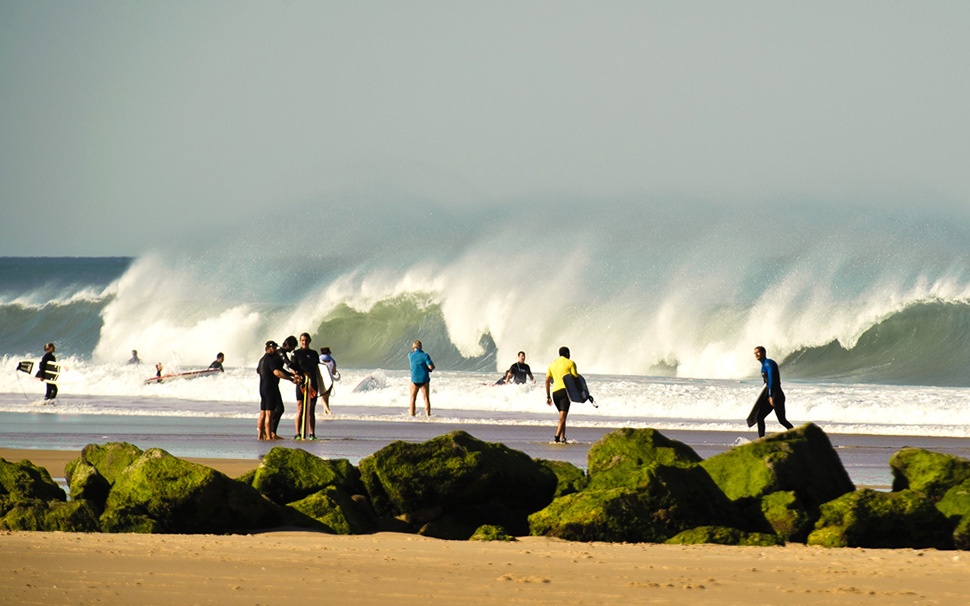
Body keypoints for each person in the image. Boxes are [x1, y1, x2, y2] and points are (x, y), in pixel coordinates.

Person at [257, 341, 298, 440]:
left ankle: (260, 436)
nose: (275, 350)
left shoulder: (261, 360)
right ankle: (269, 436)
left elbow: (258, 370)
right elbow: (277, 372)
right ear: (269, 348)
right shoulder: (269, 359)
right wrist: (291, 378)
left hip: (262, 387)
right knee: (269, 414)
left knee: (263, 413)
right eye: (273, 348)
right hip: (270, 388)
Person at [753, 346, 794, 438]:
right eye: (755, 353)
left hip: (776, 396)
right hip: (770, 395)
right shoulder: (763, 366)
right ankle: (761, 439)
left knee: (782, 420)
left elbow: (772, 380)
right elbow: (766, 384)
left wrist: (771, 396)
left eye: (758, 352)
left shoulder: (769, 364)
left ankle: (797, 435)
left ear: (764, 353)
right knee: (760, 417)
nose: (756, 354)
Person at [292, 333, 323, 439]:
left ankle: (312, 434)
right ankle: (297, 433)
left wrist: (323, 386)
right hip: (301, 383)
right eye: (302, 340)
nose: (304, 342)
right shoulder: (296, 353)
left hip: (313, 383)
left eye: (306, 340)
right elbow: (292, 368)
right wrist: (296, 376)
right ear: (300, 341)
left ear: (309, 341)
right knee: (300, 408)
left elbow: (319, 370)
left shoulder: (314, 354)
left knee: (311, 409)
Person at [545, 346, 579, 444]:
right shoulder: (571, 363)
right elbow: (576, 378)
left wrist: (548, 396)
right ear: (567, 354)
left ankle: (563, 438)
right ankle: (556, 438)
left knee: (562, 416)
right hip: (565, 392)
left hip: (555, 393)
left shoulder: (552, 365)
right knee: (562, 418)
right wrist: (581, 391)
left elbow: (547, 381)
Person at [270, 335, 298, 438]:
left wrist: (292, 375)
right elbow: (288, 363)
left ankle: (270, 432)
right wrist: (299, 370)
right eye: (293, 346)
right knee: (279, 408)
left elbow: (281, 369)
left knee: (275, 409)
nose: (293, 349)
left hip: (273, 383)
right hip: (271, 383)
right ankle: (271, 432)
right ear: (289, 345)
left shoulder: (280, 352)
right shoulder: (280, 352)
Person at [408, 340, 435, 416]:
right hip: (424, 379)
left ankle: (412, 415)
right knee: (426, 398)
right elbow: (431, 367)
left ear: (413, 347)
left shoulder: (410, 355)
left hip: (414, 380)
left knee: (413, 398)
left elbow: (413, 352)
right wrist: (431, 367)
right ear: (421, 347)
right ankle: (427, 415)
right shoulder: (425, 355)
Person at [318, 347, 336, 415]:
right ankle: (325, 411)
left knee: (322, 397)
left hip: (322, 379)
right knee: (327, 397)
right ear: (329, 353)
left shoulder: (319, 359)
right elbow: (334, 372)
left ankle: (328, 411)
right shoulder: (332, 360)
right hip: (330, 380)